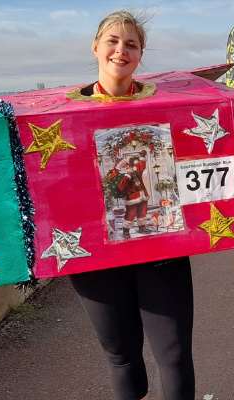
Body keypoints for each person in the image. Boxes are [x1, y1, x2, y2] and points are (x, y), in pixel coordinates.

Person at [69, 10, 195, 400]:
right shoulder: (64, 114)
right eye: (112, 41)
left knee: (174, 355)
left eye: (131, 44)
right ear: (95, 47)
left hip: (160, 244)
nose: (120, 50)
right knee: (121, 357)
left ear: (140, 54)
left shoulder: (164, 107)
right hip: (97, 254)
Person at [117, 150, 150, 237]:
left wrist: (142, 157)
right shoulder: (123, 175)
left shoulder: (136, 170)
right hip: (132, 197)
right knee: (131, 213)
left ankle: (142, 227)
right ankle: (126, 230)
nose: (127, 166)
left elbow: (141, 167)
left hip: (142, 195)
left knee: (142, 211)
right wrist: (127, 176)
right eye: (124, 165)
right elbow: (121, 186)